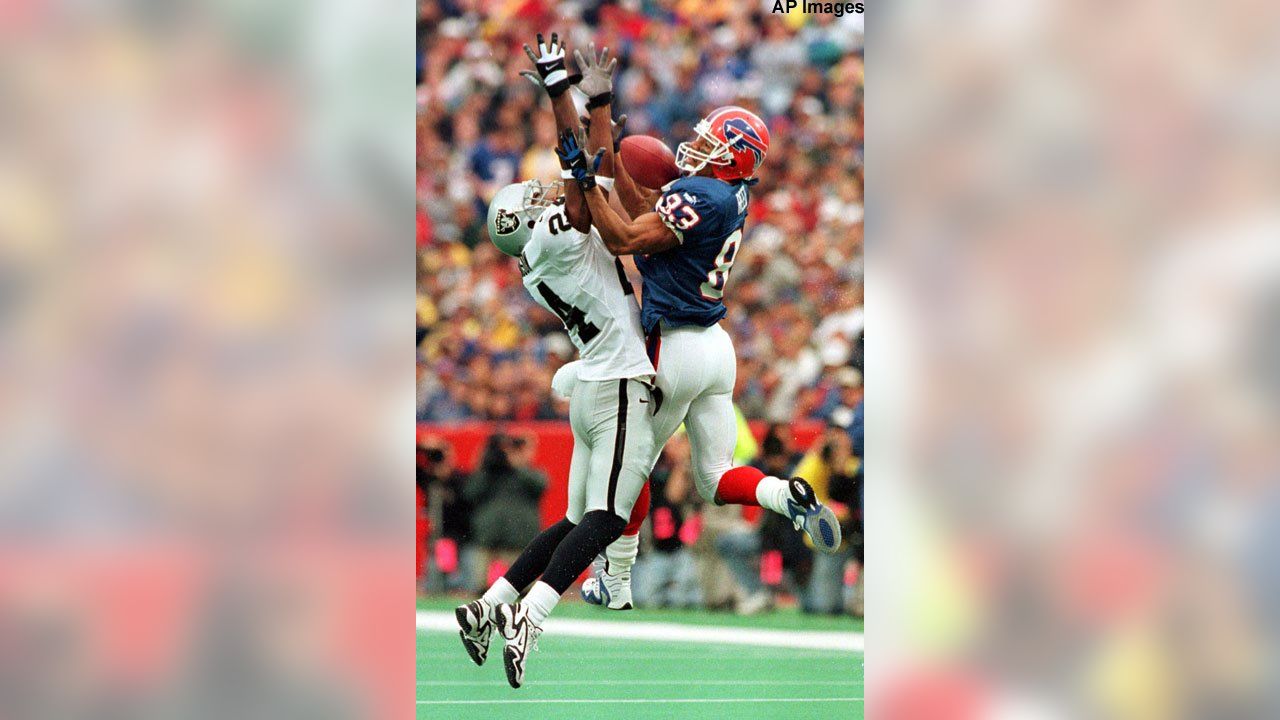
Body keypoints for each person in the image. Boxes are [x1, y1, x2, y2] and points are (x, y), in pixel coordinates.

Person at [559, 44, 843, 608]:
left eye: (715, 142)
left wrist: (590, 180)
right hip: (716, 350)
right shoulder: (728, 195)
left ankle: (614, 582)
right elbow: (646, 215)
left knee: (630, 466)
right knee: (718, 478)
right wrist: (606, 152)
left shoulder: (703, 193)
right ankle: (788, 496)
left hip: (675, 347)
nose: (699, 143)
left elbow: (625, 237)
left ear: (734, 158)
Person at [454, 32, 659, 690]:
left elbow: (587, 171)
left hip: (593, 389)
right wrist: (562, 93)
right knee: (606, 517)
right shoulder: (552, 234)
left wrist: (590, 103)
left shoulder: (531, 265)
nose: (539, 196)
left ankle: (489, 605)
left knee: (574, 519)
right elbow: (580, 179)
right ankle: (532, 616)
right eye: (531, 200)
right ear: (525, 219)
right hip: (618, 381)